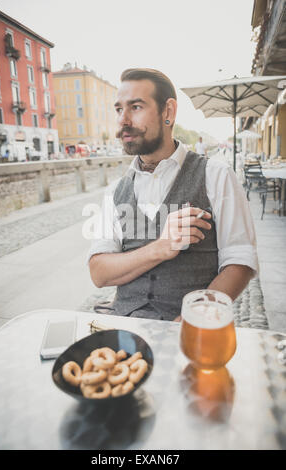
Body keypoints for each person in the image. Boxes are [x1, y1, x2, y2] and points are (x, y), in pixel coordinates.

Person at [87, 68, 258, 322]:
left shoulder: (216, 174)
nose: (123, 120)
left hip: (192, 333)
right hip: (125, 329)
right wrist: (161, 247)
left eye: (135, 107)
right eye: (119, 109)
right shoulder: (115, 191)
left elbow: (240, 263)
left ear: (168, 112)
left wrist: (192, 319)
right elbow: (99, 272)